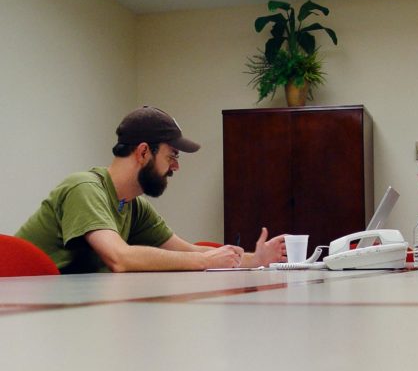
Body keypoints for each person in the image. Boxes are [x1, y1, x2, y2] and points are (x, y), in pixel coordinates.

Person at [16, 106, 287, 273]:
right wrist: (205, 263)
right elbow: (120, 258)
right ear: (144, 152)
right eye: (172, 156)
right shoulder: (84, 188)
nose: (176, 167)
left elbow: (188, 252)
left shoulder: (133, 206)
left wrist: (255, 259)